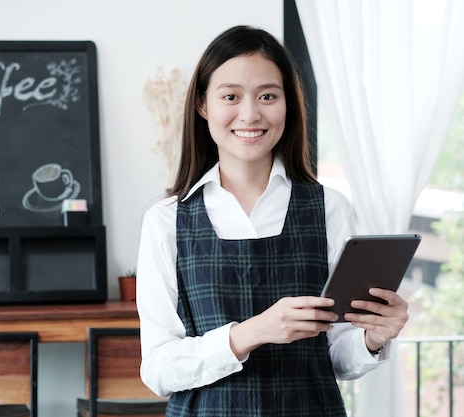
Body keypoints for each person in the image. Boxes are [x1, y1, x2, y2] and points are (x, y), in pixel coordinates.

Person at [135, 25, 409, 417]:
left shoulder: (329, 207)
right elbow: (159, 370)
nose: (250, 114)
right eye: (231, 96)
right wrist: (253, 332)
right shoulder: (166, 221)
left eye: (268, 96)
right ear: (203, 105)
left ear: (288, 105)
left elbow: (336, 356)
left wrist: (373, 338)